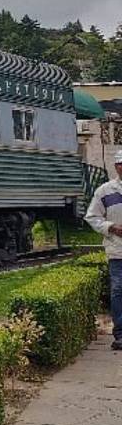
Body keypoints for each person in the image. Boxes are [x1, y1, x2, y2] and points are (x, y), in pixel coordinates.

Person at [85, 149, 122, 350]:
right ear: (116, 167)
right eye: (121, 164)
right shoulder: (105, 191)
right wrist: (111, 227)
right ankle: (120, 334)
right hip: (118, 250)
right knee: (118, 292)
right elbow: (92, 217)